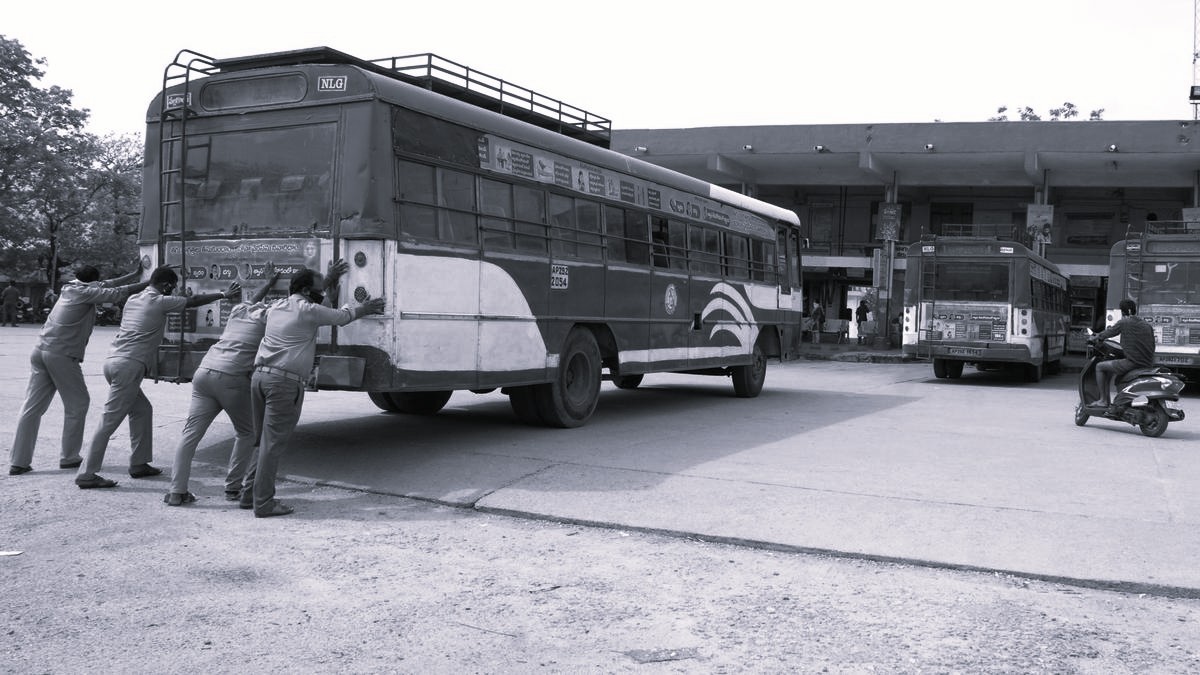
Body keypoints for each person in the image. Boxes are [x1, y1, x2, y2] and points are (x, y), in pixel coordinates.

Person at [75, 266, 240, 489]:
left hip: (113, 361)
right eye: (172, 287)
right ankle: (86, 474)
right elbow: (192, 302)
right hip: (129, 366)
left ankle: (139, 463)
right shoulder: (159, 301)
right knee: (109, 420)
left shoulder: (133, 299)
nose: (173, 290)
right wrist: (224, 294)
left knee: (142, 410)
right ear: (166, 285)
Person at [244, 264, 384, 517]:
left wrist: (327, 282)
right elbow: (342, 317)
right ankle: (263, 503)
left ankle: (248, 494)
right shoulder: (307, 310)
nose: (323, 293)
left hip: (259, 378)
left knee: (261, 441)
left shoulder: (276, 307)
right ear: (308, 292)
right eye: (320, 289)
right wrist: (366, 308)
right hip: (283, 384)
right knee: (272, 445)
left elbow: (252, 310)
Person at [8, 266, 148, 476]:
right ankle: (69, 457)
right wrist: (150, 282)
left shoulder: (71, 287)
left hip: (40, 350)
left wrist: (134, 275)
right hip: (61, 354)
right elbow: (116, 292)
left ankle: (18, 462)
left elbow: (109, 285)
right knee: (78, 404)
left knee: (32, 407)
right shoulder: (86, 293)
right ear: (93, 281)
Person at [163, 265, 283, 506]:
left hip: (204, 372)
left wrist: (268, 283)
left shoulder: (239, 311)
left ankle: (176, 492)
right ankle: (233, 487)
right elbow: (290, 311)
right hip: (231, 377)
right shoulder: (268, 318)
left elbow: (253, 300)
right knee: (247, 433)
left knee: (190, 435)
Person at [1089, 299, 1155, 408]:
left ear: (1124, 311)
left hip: (1133, 363)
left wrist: (1095, 337)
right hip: (1148, 363)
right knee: (1118, 375)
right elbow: (1152, 345)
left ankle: (1103, 400)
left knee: (1099, 367)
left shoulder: (1125, 322)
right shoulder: (1147, 325)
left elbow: (1108, 333)